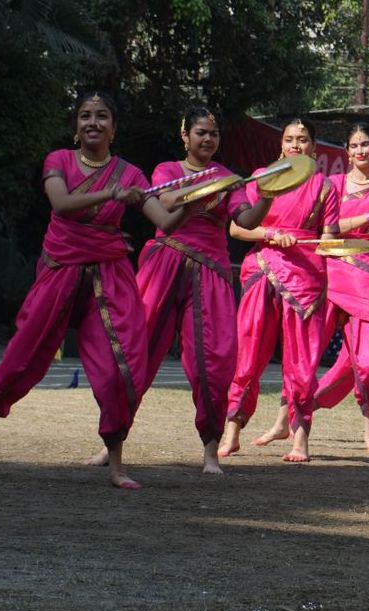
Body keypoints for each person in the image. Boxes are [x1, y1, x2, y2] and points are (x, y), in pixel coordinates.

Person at [0, 91, 199, 489]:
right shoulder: (58, 160)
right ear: (76, 127)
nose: (93, 122)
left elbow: (164, 218)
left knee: (118, 370)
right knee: (19, 360)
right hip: (60, 270)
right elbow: (61, 205)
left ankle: (116, 466)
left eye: (102, 116)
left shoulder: (131, 175)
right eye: (85, 116)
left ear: (114, 126)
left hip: (108, 276)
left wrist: (194, 204)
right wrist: (112, 194)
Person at [87, 106, 275, 475]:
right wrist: (210, 187)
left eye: (214, 134)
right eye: (201, 132)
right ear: (185, 136)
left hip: (211, 272)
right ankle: (113, 444)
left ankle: (209, 453)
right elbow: (166, 203)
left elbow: (246, 220)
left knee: (214, 363)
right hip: (164, 264)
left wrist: (266, 195)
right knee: (135, 354)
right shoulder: (166, 171)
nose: (208, 139)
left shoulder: (227, 177)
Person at [217, 117, 339, 463]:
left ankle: (299, 437)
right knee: (249, 355)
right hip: (263, 270)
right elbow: (238, 231)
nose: (295, 145)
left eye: (302, 140)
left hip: (306, 278)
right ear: (281, 146)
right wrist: (270, 235)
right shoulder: (262, 177)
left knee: (302, 362)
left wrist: (340, 245)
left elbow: (327, 239)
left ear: (314, 148)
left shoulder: (324, 187)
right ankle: (232, 430)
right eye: (289, 139)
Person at [308, 122, 369, 455]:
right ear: (346, 151)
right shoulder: (332, 185)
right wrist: (366, 217)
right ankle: (290, 418)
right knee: (307, 349)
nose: (360, 151)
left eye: (365, 144)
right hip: (332, 268)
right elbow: (327, 230)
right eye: (354, 145)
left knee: (364, 361)